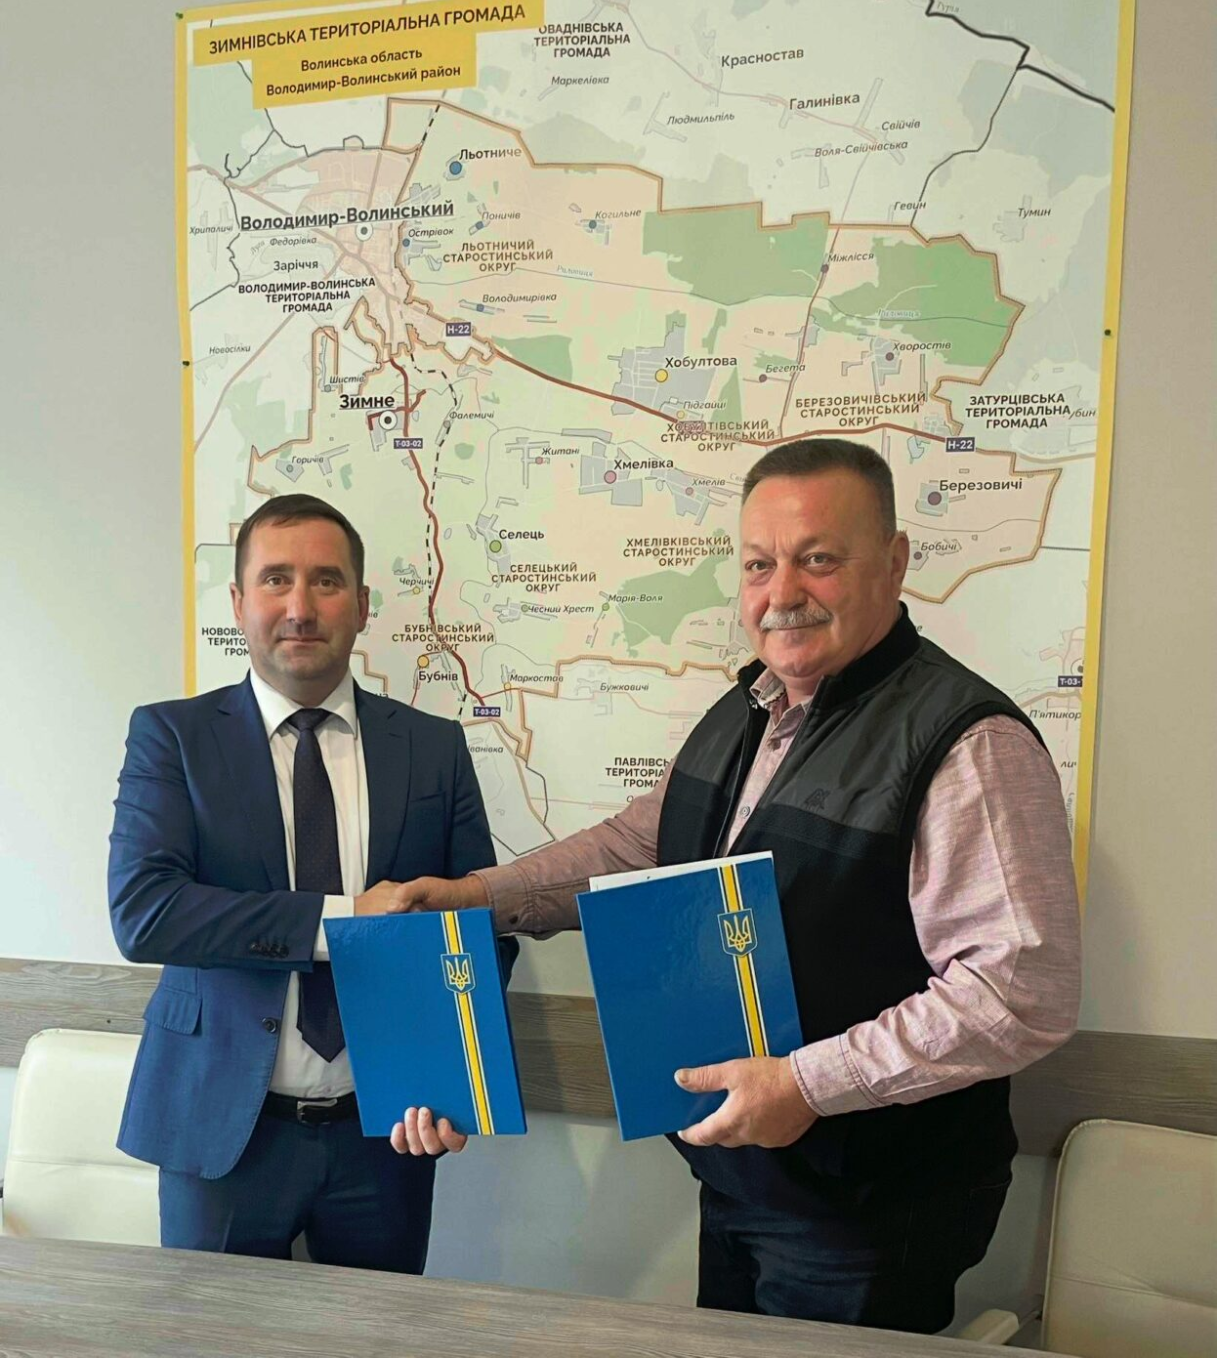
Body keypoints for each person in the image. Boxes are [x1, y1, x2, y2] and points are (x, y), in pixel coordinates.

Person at [385, 438, 1081, 1334]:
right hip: (747, 1178)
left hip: (867, 1207)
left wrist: (806, 1085)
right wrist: (475, 895)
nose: (781, 592)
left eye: (817, 559)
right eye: (758, 564)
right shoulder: (748, 708)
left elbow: (1017, 993)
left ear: (895, 562)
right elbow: (642, 845)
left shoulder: (967, 743)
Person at [108, 493, 514, 1271]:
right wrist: (343, 920)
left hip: (388, 1133)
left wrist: (450, 1075)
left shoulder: (432, 748)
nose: (299, 607)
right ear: (238, 602)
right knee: (213, 1329)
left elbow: (476, 927)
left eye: (326, 581)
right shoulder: (172, 738)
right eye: (276, 580)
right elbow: (146, 913)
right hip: (222, 1129)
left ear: (361, 606)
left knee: (376, 1331)